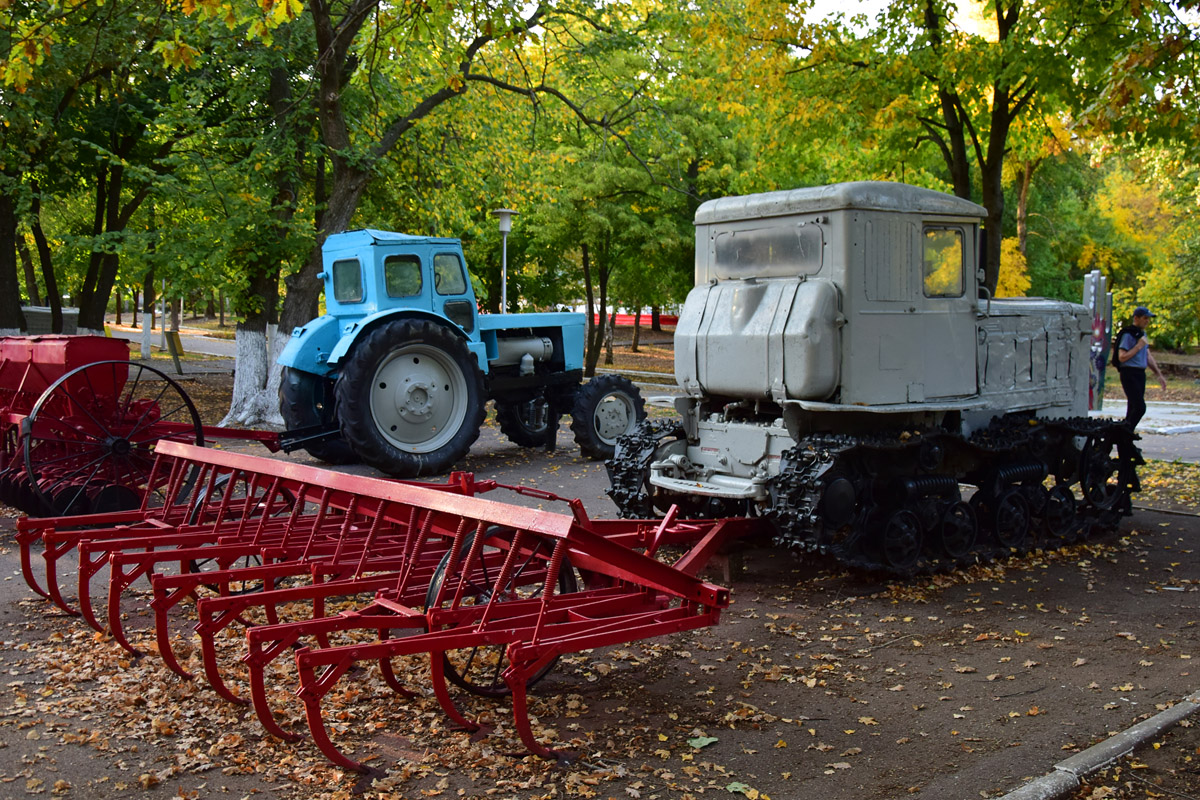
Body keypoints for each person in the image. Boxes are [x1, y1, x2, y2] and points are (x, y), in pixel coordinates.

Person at [1116, 306, 1168, 429]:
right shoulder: (1128, 334)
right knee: (1140, 407)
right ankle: (1122, 433)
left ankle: (1125, 442)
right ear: (1136, 318)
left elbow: (1148, 356)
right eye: (1145, 318)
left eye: (1148, 319)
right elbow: (1122, 357)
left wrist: (1158, 374)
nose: (1147, 321)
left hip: (1140, 373)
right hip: (1129, 373)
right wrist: (1138, 346)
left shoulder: (1142, 335)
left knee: (1133, 408)